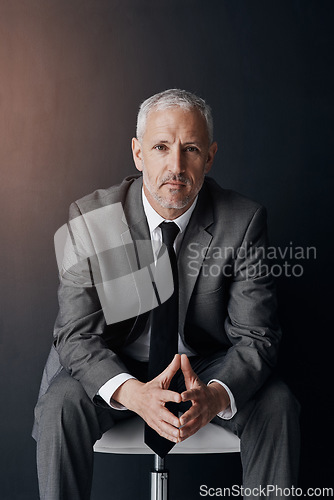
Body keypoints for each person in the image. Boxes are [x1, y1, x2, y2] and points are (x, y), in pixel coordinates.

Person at [33, 89, 300, 499]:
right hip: (119, 363)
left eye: (190, 149)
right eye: (161, 147)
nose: (175, 166)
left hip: (206, 367)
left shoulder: (243, 221)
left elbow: (256, 338)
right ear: (139, 154)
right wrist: (132, 392)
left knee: (278, 404)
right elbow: (75, 334)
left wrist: (213, 396)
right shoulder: (91, 219)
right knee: (61, 403)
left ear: (209, 158)